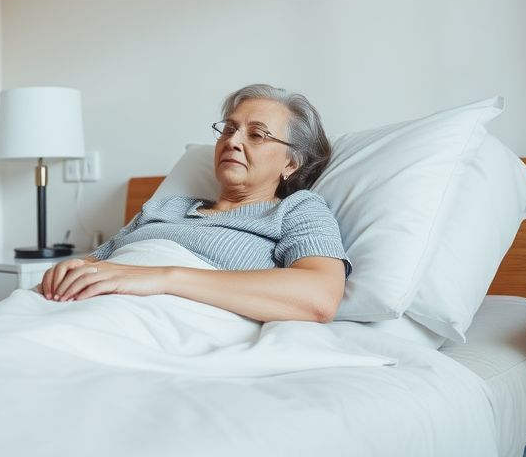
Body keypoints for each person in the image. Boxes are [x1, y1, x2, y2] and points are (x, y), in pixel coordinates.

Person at [39, 84, 348, 323]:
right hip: (76, 306)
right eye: (228, 129)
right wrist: (70, 269)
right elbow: (96, 264)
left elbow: (319, 297)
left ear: (291, 164)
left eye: (256, 135)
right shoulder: (163, 207)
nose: (233, 141)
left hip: (152, 318)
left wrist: (164, 277)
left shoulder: (298, 209)